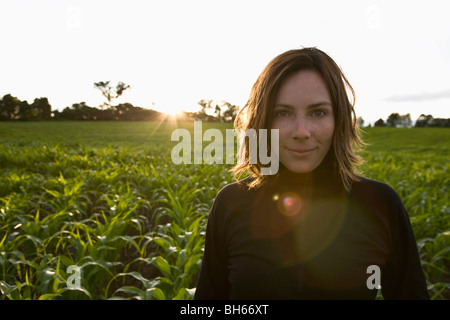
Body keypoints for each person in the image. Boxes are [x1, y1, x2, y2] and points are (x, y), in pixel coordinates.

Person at [194, 47, 429, 300]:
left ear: (338, 119)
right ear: (262, 121)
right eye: (282, 113)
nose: (302, 132)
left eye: (318, 112)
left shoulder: (380, 204)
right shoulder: (232, 203)